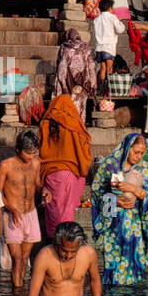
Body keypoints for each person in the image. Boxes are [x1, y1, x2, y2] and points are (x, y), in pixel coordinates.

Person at [90, 132, 148, 286]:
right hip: (113, 223)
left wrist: (132, 189)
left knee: (133, 257)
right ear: (127, 148)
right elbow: (96, 194)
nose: (139, 156)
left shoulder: (142, 167)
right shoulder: (110, 165)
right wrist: (114, 200)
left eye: (142, 153)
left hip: (133, 223)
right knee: (114, 260)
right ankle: (113, 294)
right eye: (136, 152)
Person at [28, 222, 104, 296]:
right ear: (57, 244)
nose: (68, 256)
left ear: (80, 244)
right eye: (64, 251)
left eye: (73, 251)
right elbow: (32, 295)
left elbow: (95, 281)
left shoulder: (89, 253)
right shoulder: (44, 256)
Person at [0, 129, 47, 289]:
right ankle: (16, 292)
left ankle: (20, 291)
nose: (30, 157)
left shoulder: (36, 163)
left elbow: (37, 184)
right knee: (16, 259)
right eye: (27, 153)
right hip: (12, 216)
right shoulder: (6, 165)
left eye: (33, 153)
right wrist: (12, 209)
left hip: (30, 213)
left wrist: (45, 191)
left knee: (25, 259)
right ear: (18, 149)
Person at [39, 94, 93, 237]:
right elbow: (85, 148)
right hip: (72, 175)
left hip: (52, 174)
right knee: (67, 213)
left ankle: (55, 243)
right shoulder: (74, 123)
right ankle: (65, 242)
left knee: (54, 213)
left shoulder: (45, 123)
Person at [93, 0, 125, 94]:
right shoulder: (112, 17)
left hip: (99, 47)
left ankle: (101, 88)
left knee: (102, 68)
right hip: (109, 47)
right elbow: (120, 29)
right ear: (110, 8)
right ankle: (108, 89)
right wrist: (121, 23)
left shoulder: (96, 19)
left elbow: (95, 32)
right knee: (109, 69)